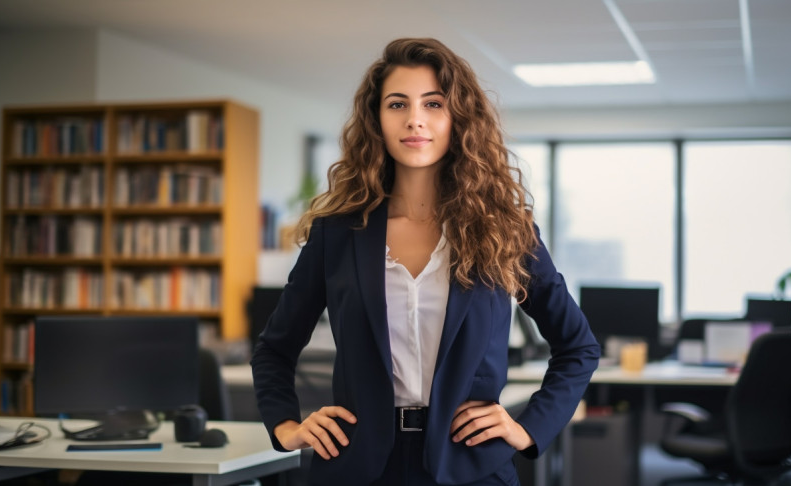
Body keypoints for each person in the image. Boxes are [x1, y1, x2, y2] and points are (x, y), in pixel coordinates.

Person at [251, 37, 600, 486]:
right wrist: (286, 426)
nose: (414, 119)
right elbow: (274, 349)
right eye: (398, 104)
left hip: (472, 466)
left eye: (433, 103)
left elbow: (578, 347)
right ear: (376, 119)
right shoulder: (336, 234)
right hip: (357, 468)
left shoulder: (504, 230)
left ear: (459, 118)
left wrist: (528, 427)